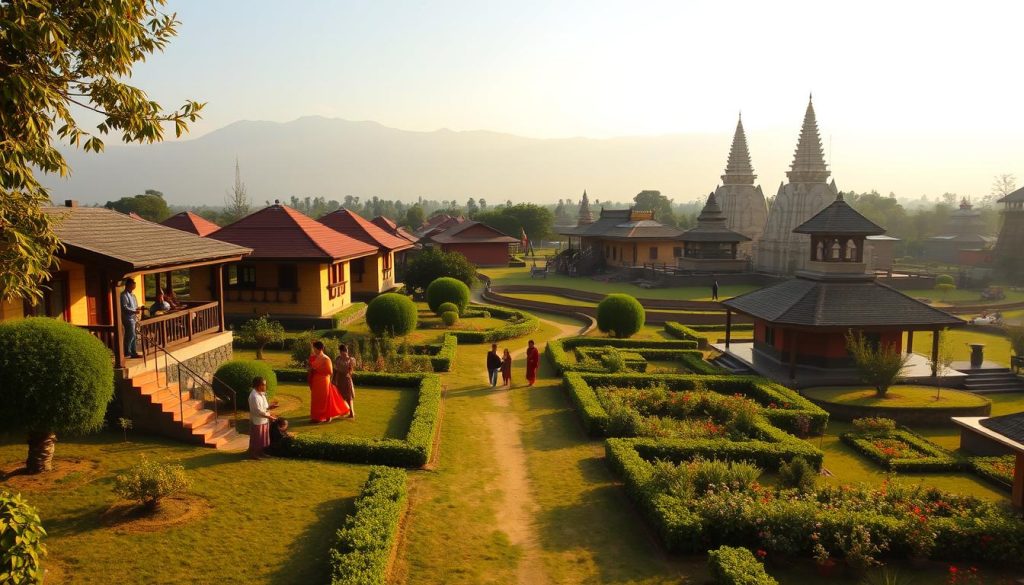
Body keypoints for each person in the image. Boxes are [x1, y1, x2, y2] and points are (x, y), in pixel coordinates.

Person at [308, 340, 350, 423]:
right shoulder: (315, 357)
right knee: (316, 399)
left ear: (319, 349)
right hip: (316, 380)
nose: (313, 350)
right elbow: (312, 367)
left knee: (325, 399)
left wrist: (316, 369)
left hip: (324, 381)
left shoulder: (326, 358)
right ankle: (316, 417)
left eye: (314, 348)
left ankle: (327, 417)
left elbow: (330, 371)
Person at [248, 376, 276, 460]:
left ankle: (261, 453)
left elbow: (264, 407)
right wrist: (269, 416)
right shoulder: (254, 396)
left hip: (264, 419)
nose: (265, 386)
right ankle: (254, 454)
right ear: (258, 385)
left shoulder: (261, 394)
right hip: (258, 421)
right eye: (263, 385)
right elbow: (258, 411)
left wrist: (271, 406)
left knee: (262, 438)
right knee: (257, 438)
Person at [120, 278, 144, 358]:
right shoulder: (124, 295)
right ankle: (127, 352)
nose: (134, 285)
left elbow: (135, 306)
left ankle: (134, 352)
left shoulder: (133, 295)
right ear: (128, 285)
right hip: (128, 318)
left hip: (134, 318)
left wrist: (138, 309)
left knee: (134, 335)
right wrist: (134, 311)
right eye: (133, 284)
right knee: (130, 335)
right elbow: (124, 307)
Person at [333, 343, 357, 418]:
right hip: (342, 378)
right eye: (341, 351)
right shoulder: (340, 359)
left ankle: (351, 412)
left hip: (345, 378)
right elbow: (336, 370)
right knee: (343, 396)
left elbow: (350, 370)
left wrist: (348, 374)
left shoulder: (349, 359)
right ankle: (347, 411)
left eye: (343, 351)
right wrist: (334, 380)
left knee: (348, 396)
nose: (342, 353)